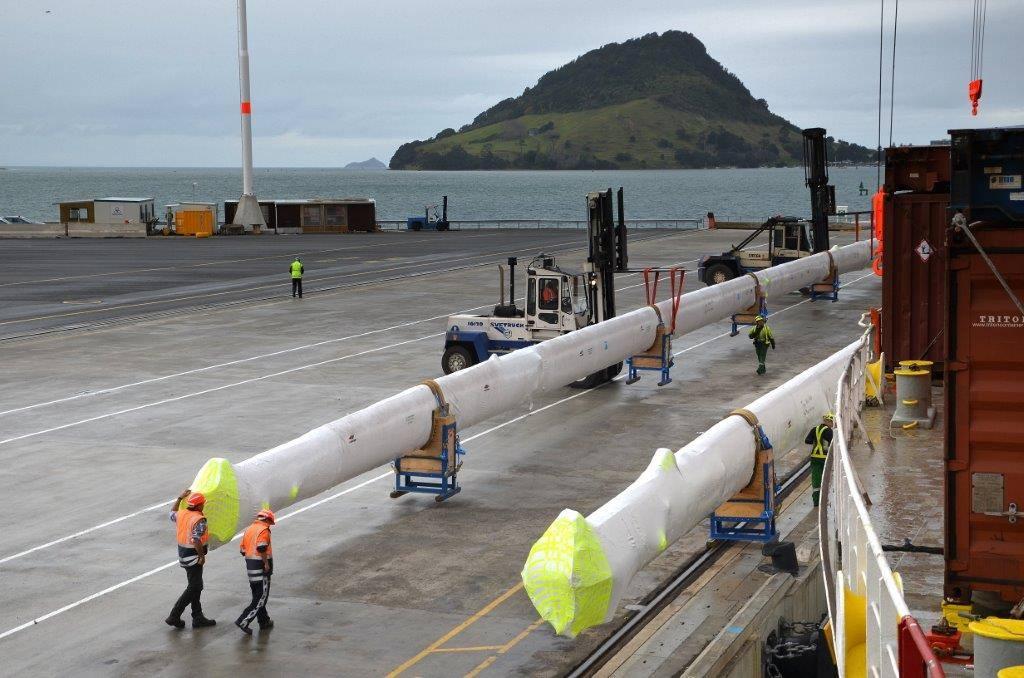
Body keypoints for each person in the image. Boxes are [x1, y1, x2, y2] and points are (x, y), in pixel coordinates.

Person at [166, 489, 216, 629]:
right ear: (199, 505)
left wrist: (179, 498)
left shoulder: (182, 514)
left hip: (183, 555)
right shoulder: (199, 519)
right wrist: (201, 556)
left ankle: (197, 616)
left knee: (195, 586)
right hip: (193, 557)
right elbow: (195, 539)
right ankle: (174, 615)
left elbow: (171, 514)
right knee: (195, 586)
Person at [235, 509, 276, 635]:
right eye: (270, 522)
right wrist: (266, 563)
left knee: (257, 596)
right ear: (267, 519)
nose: (270, 525)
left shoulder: (250, 529)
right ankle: (243, 620)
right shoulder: (263, 530)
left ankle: (264, 621)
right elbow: (262, 547)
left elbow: (242, 550)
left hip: (251, 568)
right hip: (261, 568)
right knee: (261, 598)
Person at [805, 413, 835, 507]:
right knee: (825, 479)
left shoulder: (815, 429)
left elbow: (807, 441)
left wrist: (817, 441)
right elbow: (832, 444)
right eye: (831, 422)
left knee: (816, 480)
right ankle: (824, 501)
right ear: (829, 421)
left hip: (814, 458)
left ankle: (816, 502)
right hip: (825, 458)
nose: (832, 424)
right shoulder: (829, 431)